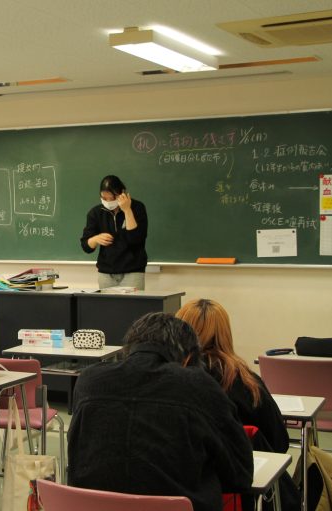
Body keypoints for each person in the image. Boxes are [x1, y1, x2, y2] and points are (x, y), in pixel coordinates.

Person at [68, 312, 253, 511]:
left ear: (128, 348)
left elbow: (76, 452)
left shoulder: (89, 380)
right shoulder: (198, 385)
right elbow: (241, 474)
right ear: (188, 358)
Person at [176, 298, 289, 453]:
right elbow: (279, 441)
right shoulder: (244, 381)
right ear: (225, 333)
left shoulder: (166, 378)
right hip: (247, 470)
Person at [80, 175, 148, 290]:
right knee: (107, 307)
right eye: (103, 198)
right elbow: (86, 246)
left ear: (121, 194)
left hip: (133, 270)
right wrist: (96, 239)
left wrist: (127, 210)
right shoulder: (95, 213)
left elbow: (136, 239)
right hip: (106, 272)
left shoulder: (137, 208)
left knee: (133, 307)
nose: (107, 202)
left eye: (111, 198)